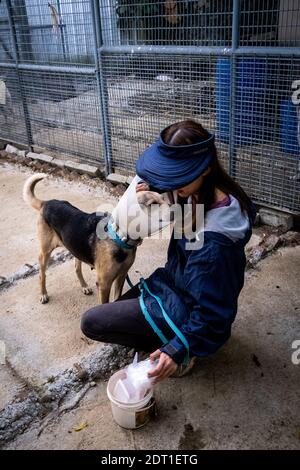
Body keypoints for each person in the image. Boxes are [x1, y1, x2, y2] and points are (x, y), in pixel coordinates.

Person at [81, 120, 256, 384]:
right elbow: (186, 210)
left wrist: (177, 350)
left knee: (93, 323)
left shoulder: (213, 246)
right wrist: (158, 191)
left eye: (177, 177)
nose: (172, 185)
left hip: (188, 308)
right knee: (114, 313)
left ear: (206, 169)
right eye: (168, 176)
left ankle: (185, 353)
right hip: (174, 282)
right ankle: (167, 337)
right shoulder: (211, 192)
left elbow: (213, 316)